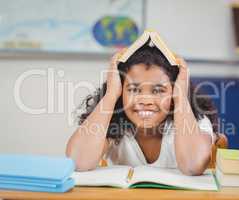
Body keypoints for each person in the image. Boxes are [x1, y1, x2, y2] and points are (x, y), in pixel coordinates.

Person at [66, 45, 218, 175]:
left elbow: (192, 166)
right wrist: (111, 95)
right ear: (121, 92)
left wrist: (181, 99)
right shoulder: (114, 122)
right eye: (134, 89)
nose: (145, 101)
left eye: (158, 91)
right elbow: (78, 162)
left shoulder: (195, 121)